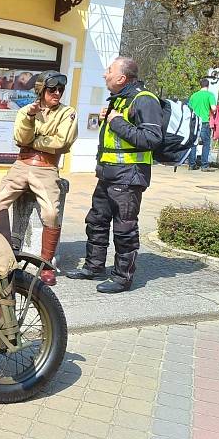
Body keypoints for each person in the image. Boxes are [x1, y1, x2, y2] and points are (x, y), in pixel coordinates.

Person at [66, 57, 163, 293]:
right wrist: (109, 121)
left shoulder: (145, 100)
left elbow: (152, 139)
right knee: (96, 221)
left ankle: (122, 278)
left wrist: (116, 122)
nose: (104, 74)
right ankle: (94, 266)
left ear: (121, 77)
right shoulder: (119, 100)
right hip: (109, 174)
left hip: (129, 177)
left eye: (109, 70)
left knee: (124, 228)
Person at [0, 71, 78, 286]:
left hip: (47, 167)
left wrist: (33, 141)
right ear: (41, 90)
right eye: (52, 89)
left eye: (60, 89)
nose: (57, 93)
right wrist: (30, 120)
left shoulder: (67, 113)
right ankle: (0, 253)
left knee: (51, 212)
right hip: (21, 165)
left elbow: (62, 142)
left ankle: (46, 264)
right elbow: (21, 139)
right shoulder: (25, 111)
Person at [187, 79, 217, 171]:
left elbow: (189, 108)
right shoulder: (210, 95)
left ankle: (191, 164)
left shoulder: (193, 96)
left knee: (193, 143)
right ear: (208, 85)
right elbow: (213, 108)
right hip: (204, 122)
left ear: (200, 85)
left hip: (194, 121)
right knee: (206, 143)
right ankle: (204, 165)